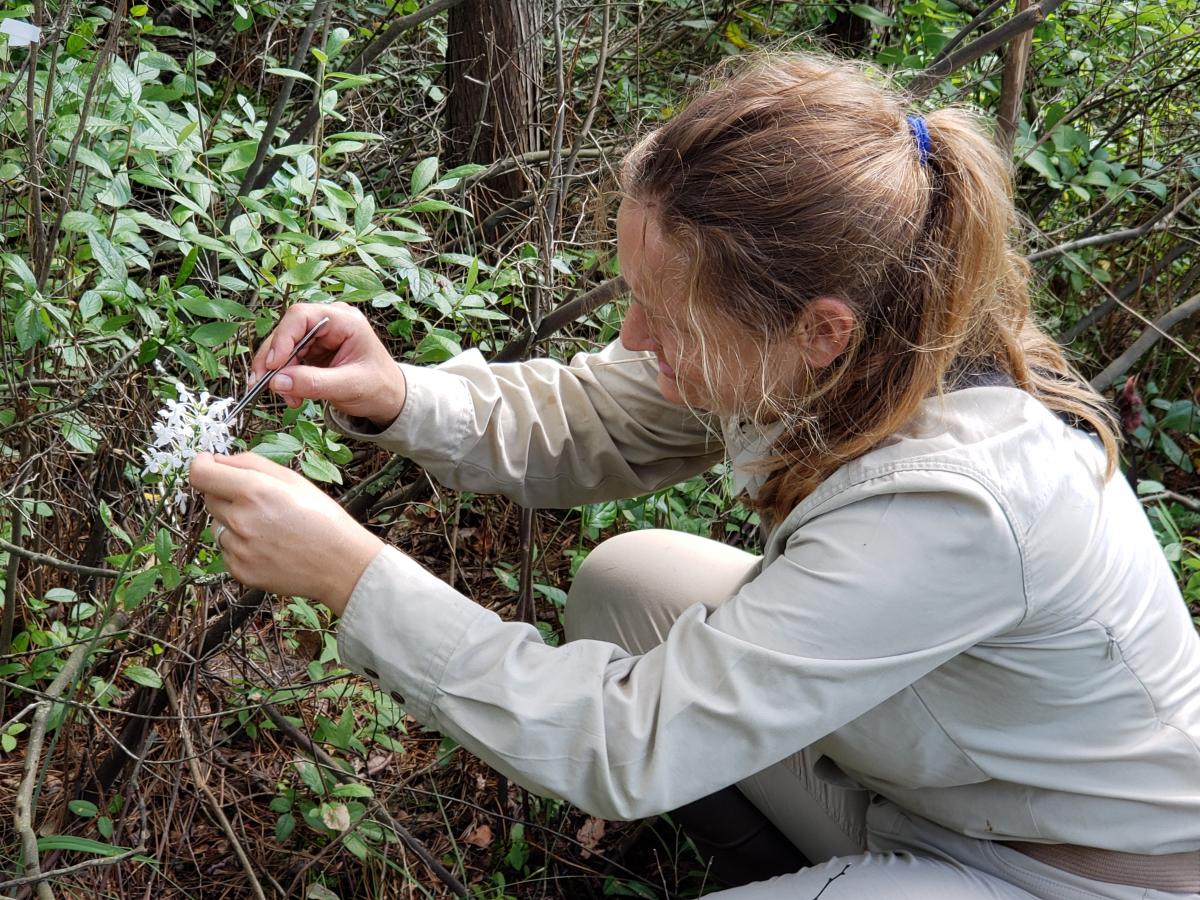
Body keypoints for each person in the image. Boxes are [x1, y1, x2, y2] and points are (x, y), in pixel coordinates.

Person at [189, 54, 1200, 898]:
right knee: (626, 585)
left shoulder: (960, 502)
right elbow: (592, 413)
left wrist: (351, 575)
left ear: (819, 328)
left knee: (656, 702)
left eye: (663, 317)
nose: (634, 336)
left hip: (1067, 868)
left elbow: (626, 741)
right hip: (932, 771)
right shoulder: (859, 350)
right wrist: (397, 393)